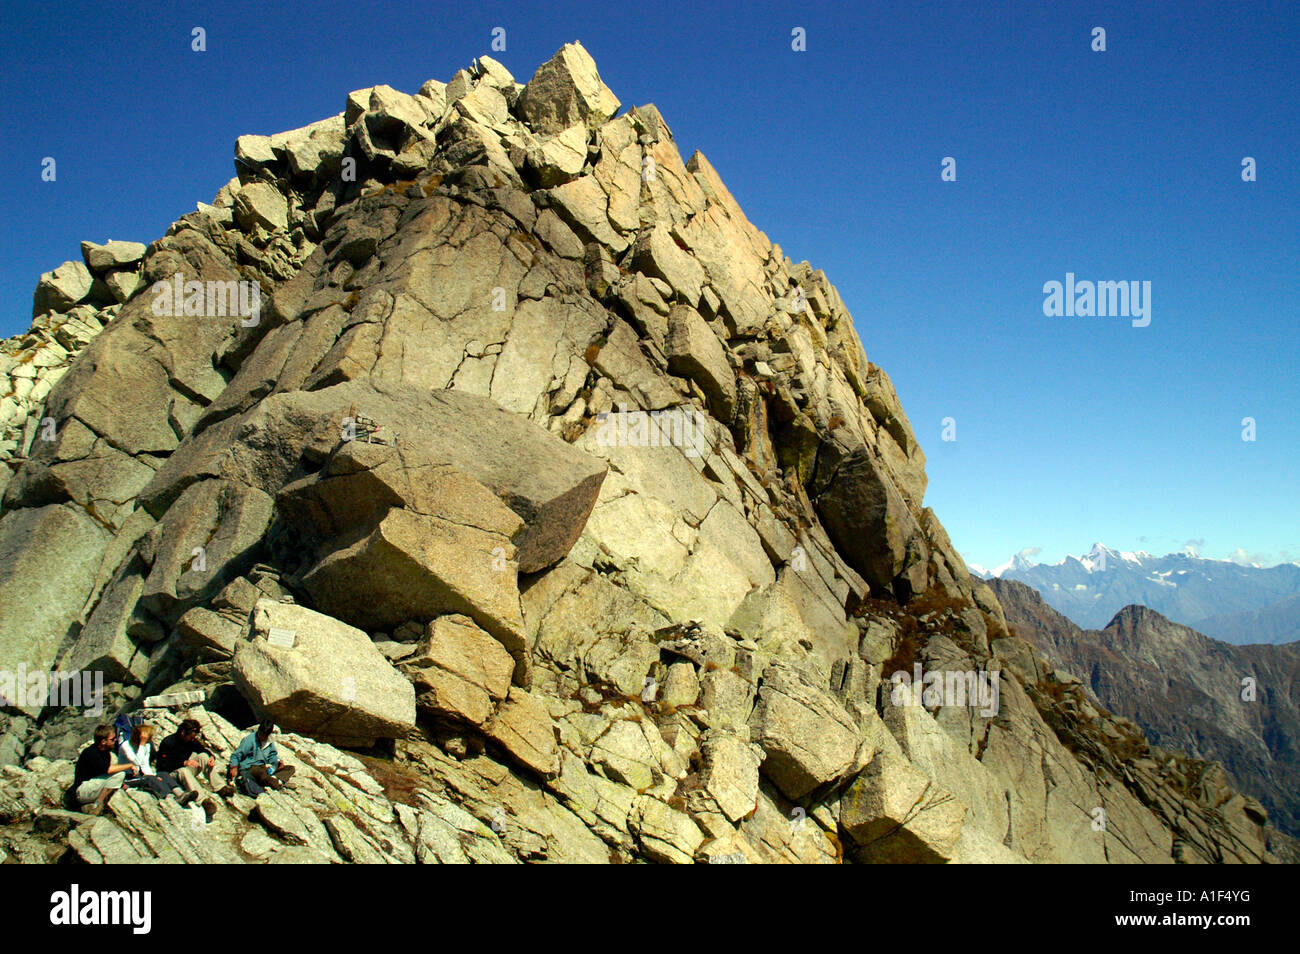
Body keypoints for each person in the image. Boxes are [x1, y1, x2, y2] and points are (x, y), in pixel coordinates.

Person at [156, 718, 231, 820]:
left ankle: (221, 787)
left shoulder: (191, 741)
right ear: (183, 733)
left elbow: (202, 750)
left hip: (185, 771)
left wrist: (211, 757)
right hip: (172, 775)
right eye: (191, 737)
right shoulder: (168, 743)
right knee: (184, 770)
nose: (193, 739)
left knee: (203, 756)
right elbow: (162, 766)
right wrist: (184, 762)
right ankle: (203, 801)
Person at [118, 724, 197, 806]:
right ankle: (170, 798)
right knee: (150, 779)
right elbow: (137, 762)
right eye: (149, 737)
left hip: (141, 776)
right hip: (128, 778)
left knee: (162, 774)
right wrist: (142, 744)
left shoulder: (146, 746)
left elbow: (145, 765)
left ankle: (180, 794)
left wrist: (155, 776)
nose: (151, 739)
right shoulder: (126, 745)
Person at [72, 724, 139, 815]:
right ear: (103, 741)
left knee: (118, 776)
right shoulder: (91, 753)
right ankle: (98, 804)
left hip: (91, 785)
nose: (115, 741)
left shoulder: (105, 753)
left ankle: (100, 802)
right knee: (119, 774)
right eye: (112, 739)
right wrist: (129, 765)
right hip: (82, 790)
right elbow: (108, 770)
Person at [228, 720, 296, 797]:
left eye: (265, 735)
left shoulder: (269, 742)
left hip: (263, 768)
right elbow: (236, 755)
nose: (262, 737)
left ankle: (273, 780)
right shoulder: (249, 740)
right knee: (261, 773)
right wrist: (234, 767)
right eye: (261, 734)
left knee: (290, 768)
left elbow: (272, 755)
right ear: (259, 730)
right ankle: (274, 781)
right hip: (251, 767)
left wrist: (278, 762)